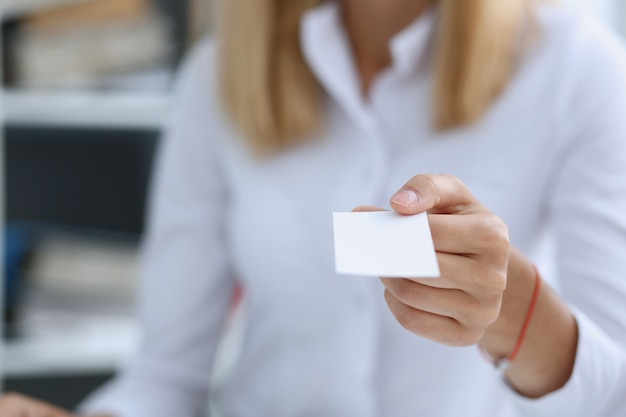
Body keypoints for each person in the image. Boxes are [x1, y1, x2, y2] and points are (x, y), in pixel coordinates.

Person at [2, 0, 626, 415]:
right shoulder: (217, 78)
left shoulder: (578, 67)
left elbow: (612, 391)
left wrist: (516, 311)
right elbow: (164, 377)